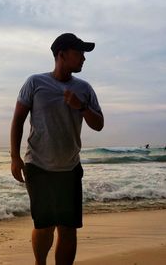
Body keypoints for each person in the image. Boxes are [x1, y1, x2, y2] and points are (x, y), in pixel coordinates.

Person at [10, 33, 104, 265]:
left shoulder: (84, 89)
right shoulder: (35, 83)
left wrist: (80, 106)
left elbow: (99, 124)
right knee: (44, 227)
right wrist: (14, 157)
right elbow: (18, 120)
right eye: (79, 52)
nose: (83, 58)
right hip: (38, 166)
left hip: (70, 168)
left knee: (68, 230)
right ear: (61, 54)